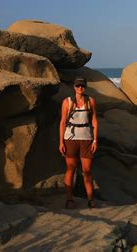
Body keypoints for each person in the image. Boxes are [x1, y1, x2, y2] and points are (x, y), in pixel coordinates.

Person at [59, 76, 98, 209]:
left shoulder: (90, 101)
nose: (80, 88)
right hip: (70, 139)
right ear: (74, 87)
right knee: (71, 168)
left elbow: (94, 121)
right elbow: (62, 122)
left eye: (82, 86)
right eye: (78, 86)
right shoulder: (67, 102)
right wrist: (61, 142)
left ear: (85, 87)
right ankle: (69, 200)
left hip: (86, 139)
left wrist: (95, 140)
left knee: (87, 170)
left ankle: (90, 199)